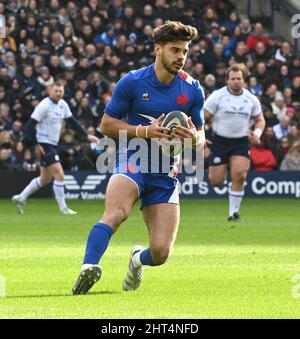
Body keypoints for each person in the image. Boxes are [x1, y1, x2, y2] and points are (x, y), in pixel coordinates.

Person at [72, 21, 206, 295]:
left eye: (185, 51)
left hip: (166, 170)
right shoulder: (133, 82)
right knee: (116, 213)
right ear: (158, 49)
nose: (181, 57)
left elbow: (201, 134)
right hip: (133, 158)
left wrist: (194, 139)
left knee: (160, 253)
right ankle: (88, 267)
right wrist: (144, 130)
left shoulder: (193, 89)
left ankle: (136, 260)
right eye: (175, 50)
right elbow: (106, 124)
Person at [12, 82, 99, 214]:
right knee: (59, 174)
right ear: (50, 91)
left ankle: (21, 197)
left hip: (52, 144)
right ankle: (63, 208)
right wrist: (36, 144)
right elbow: (29, 126)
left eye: (60, 91)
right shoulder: (44, 105)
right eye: (56, 91)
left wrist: (87, 136)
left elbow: (72, 122)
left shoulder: (63, 104)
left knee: (45, 179)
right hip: (44, 144)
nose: (58, 93)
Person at [204, 64, 265, 221]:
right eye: (233, 79)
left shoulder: (251, 99)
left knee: (239, 175)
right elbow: (203, 116)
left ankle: (233, 214)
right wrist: (200, 135)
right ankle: (223, 185)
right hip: (220, 141)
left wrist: (257, 133)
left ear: (244, 80)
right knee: (216, 181)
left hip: (241, 141)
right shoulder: (217, 96)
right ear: (227, 80)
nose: (236, 81)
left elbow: (259, 120)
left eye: (239, 79)